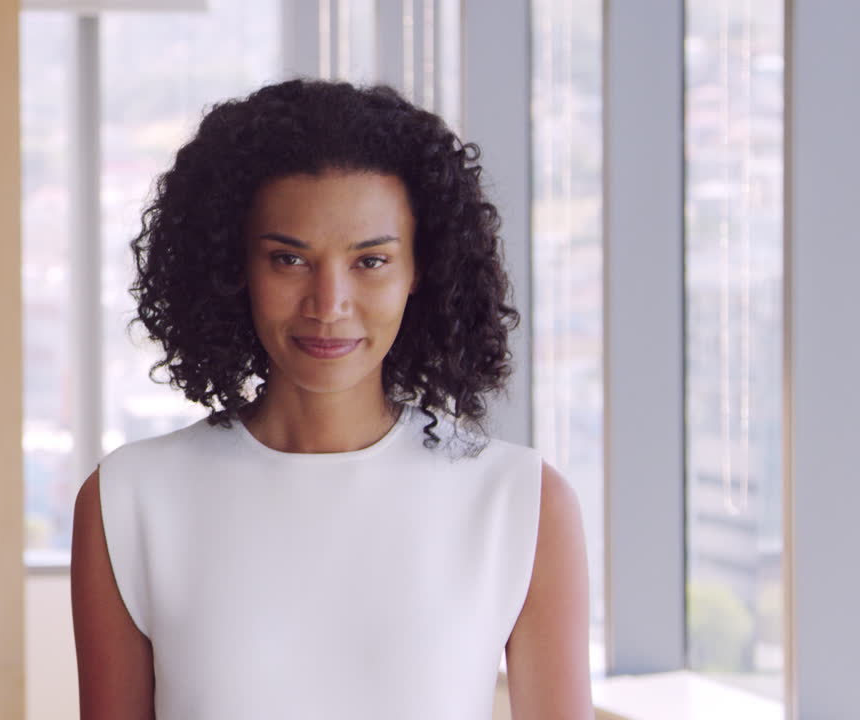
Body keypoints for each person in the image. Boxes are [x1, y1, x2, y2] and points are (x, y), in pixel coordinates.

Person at [70, 79, 593, 720]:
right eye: (290, 260)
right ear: (234, 266)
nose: (329, 305)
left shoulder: (520, 502)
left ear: (420, 270)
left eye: (369, 261)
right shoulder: (129, 499)